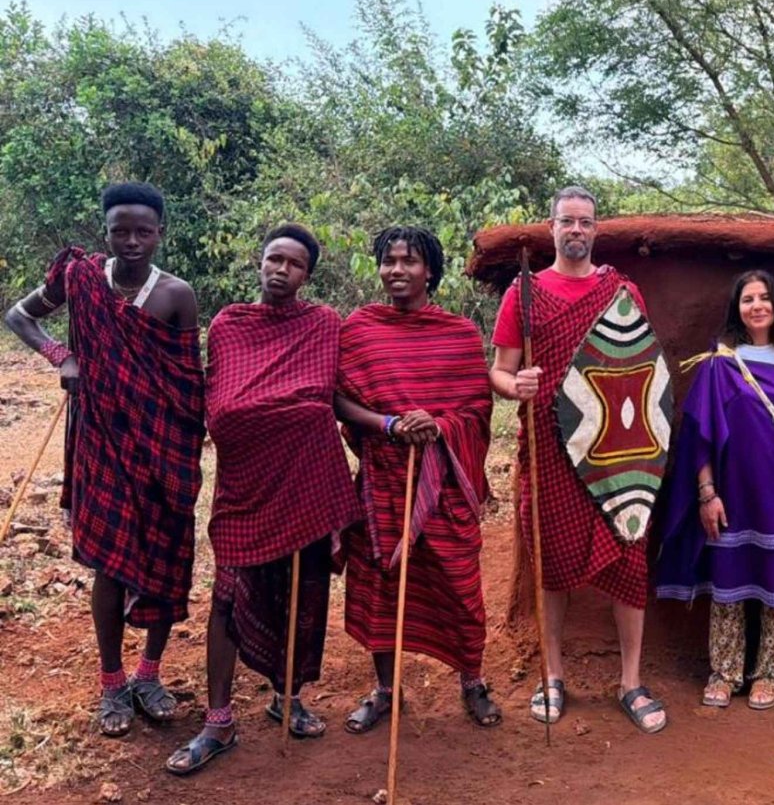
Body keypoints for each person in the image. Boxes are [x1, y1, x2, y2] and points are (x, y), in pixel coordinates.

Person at [3, 182, 204, 738]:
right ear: (106, 231)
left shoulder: (176, 296)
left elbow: (188, 385)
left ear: (161, 233)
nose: (132, 240)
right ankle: (112, 681)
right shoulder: (80, 278)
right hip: (99, 443)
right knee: (111, 563)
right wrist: (61, 355)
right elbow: (18, 316)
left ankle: (150, 674)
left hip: (163, 447)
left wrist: (189, 452)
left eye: (144, 231)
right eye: (120, 230)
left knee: (167, 555)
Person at [165, 225, 362, 775]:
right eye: (273, 259)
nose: (281, 270)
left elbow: (322, 395)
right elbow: (221, 402)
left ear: (307, 276)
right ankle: (219, 719)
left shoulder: (323, 324)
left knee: (303, 596)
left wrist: (390, 423)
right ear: (260, 263)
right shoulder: (230, 323)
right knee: (227, 600)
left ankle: (289, 697)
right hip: (243, 489)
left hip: (306, 482)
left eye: (294, 264)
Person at [490, 187, 668, 734]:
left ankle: (630, 682)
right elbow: (498, 371)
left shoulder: (621, 291)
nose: (576, 230)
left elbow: (639, 367)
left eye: (585, 222)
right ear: (551, 228)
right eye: (567, 221)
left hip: (616, 453)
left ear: (596, 230)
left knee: (628, 559)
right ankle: (553, 675)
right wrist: (513, 385)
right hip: (546, 448)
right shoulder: (523, 294)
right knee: (553, 563)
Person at [335, 226, 499, 732]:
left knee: (461, 587)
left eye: (409, 261)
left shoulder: (459, 334)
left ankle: (472, 681)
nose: (397, 270)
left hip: (443, 485)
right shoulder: (359, 329)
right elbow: (340, 399)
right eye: (388, 260)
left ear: (430, 270)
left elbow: (476, 408)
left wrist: (438, 425)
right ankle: (385, 689)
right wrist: (388, 425)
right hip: (383, 482)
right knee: (383, 586)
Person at [656, 270, 774, 711]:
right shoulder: (720, 360)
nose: (757, 306)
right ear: (737, 307)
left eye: (764, 297)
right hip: (733, 487)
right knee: (728, 581)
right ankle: (725, 672)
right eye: (748, 299)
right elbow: (701, 433)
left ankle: (768, 673)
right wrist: (707, 492)